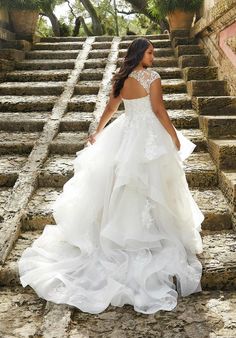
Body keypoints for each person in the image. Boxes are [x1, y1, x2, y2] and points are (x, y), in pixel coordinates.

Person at [18, 37, 204, 315]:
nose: (154, 56)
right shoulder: (151, 76)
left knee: (128, 185)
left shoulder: (122, 78)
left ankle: (126, 234)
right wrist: (173, 136)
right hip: (148, 135)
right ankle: (153, 237)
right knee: (152, 184)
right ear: (140, 53)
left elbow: (111, 108)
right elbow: (158, 110)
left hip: (126, 133)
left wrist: (99, 132)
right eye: (151, 52)